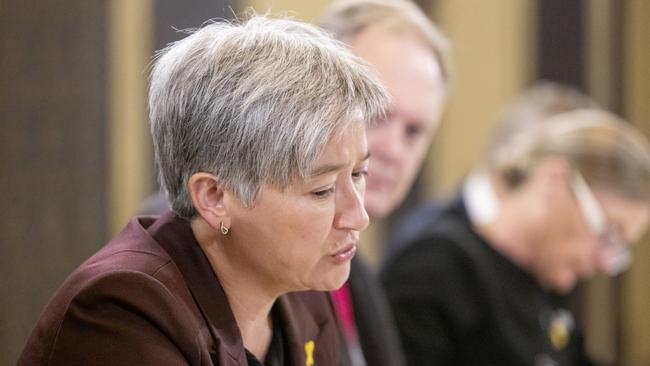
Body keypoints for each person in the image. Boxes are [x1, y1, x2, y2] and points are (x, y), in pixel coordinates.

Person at [18, 15, 389, 365]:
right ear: (214, 197)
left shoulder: (304, 290)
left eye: (359, 174)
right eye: (322, 190)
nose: (359, 215)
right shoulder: (121, 311)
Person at [382, 107, 650, 365]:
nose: (605, 263)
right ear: (555, 179)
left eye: (619, 247)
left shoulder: (543, 279)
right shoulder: (436, 270)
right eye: (609, 233)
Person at [318, 1, 451, 365]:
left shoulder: (357, 273)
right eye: (376, 115)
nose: (393, 149)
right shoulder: (229, 240)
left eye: (414, 132)